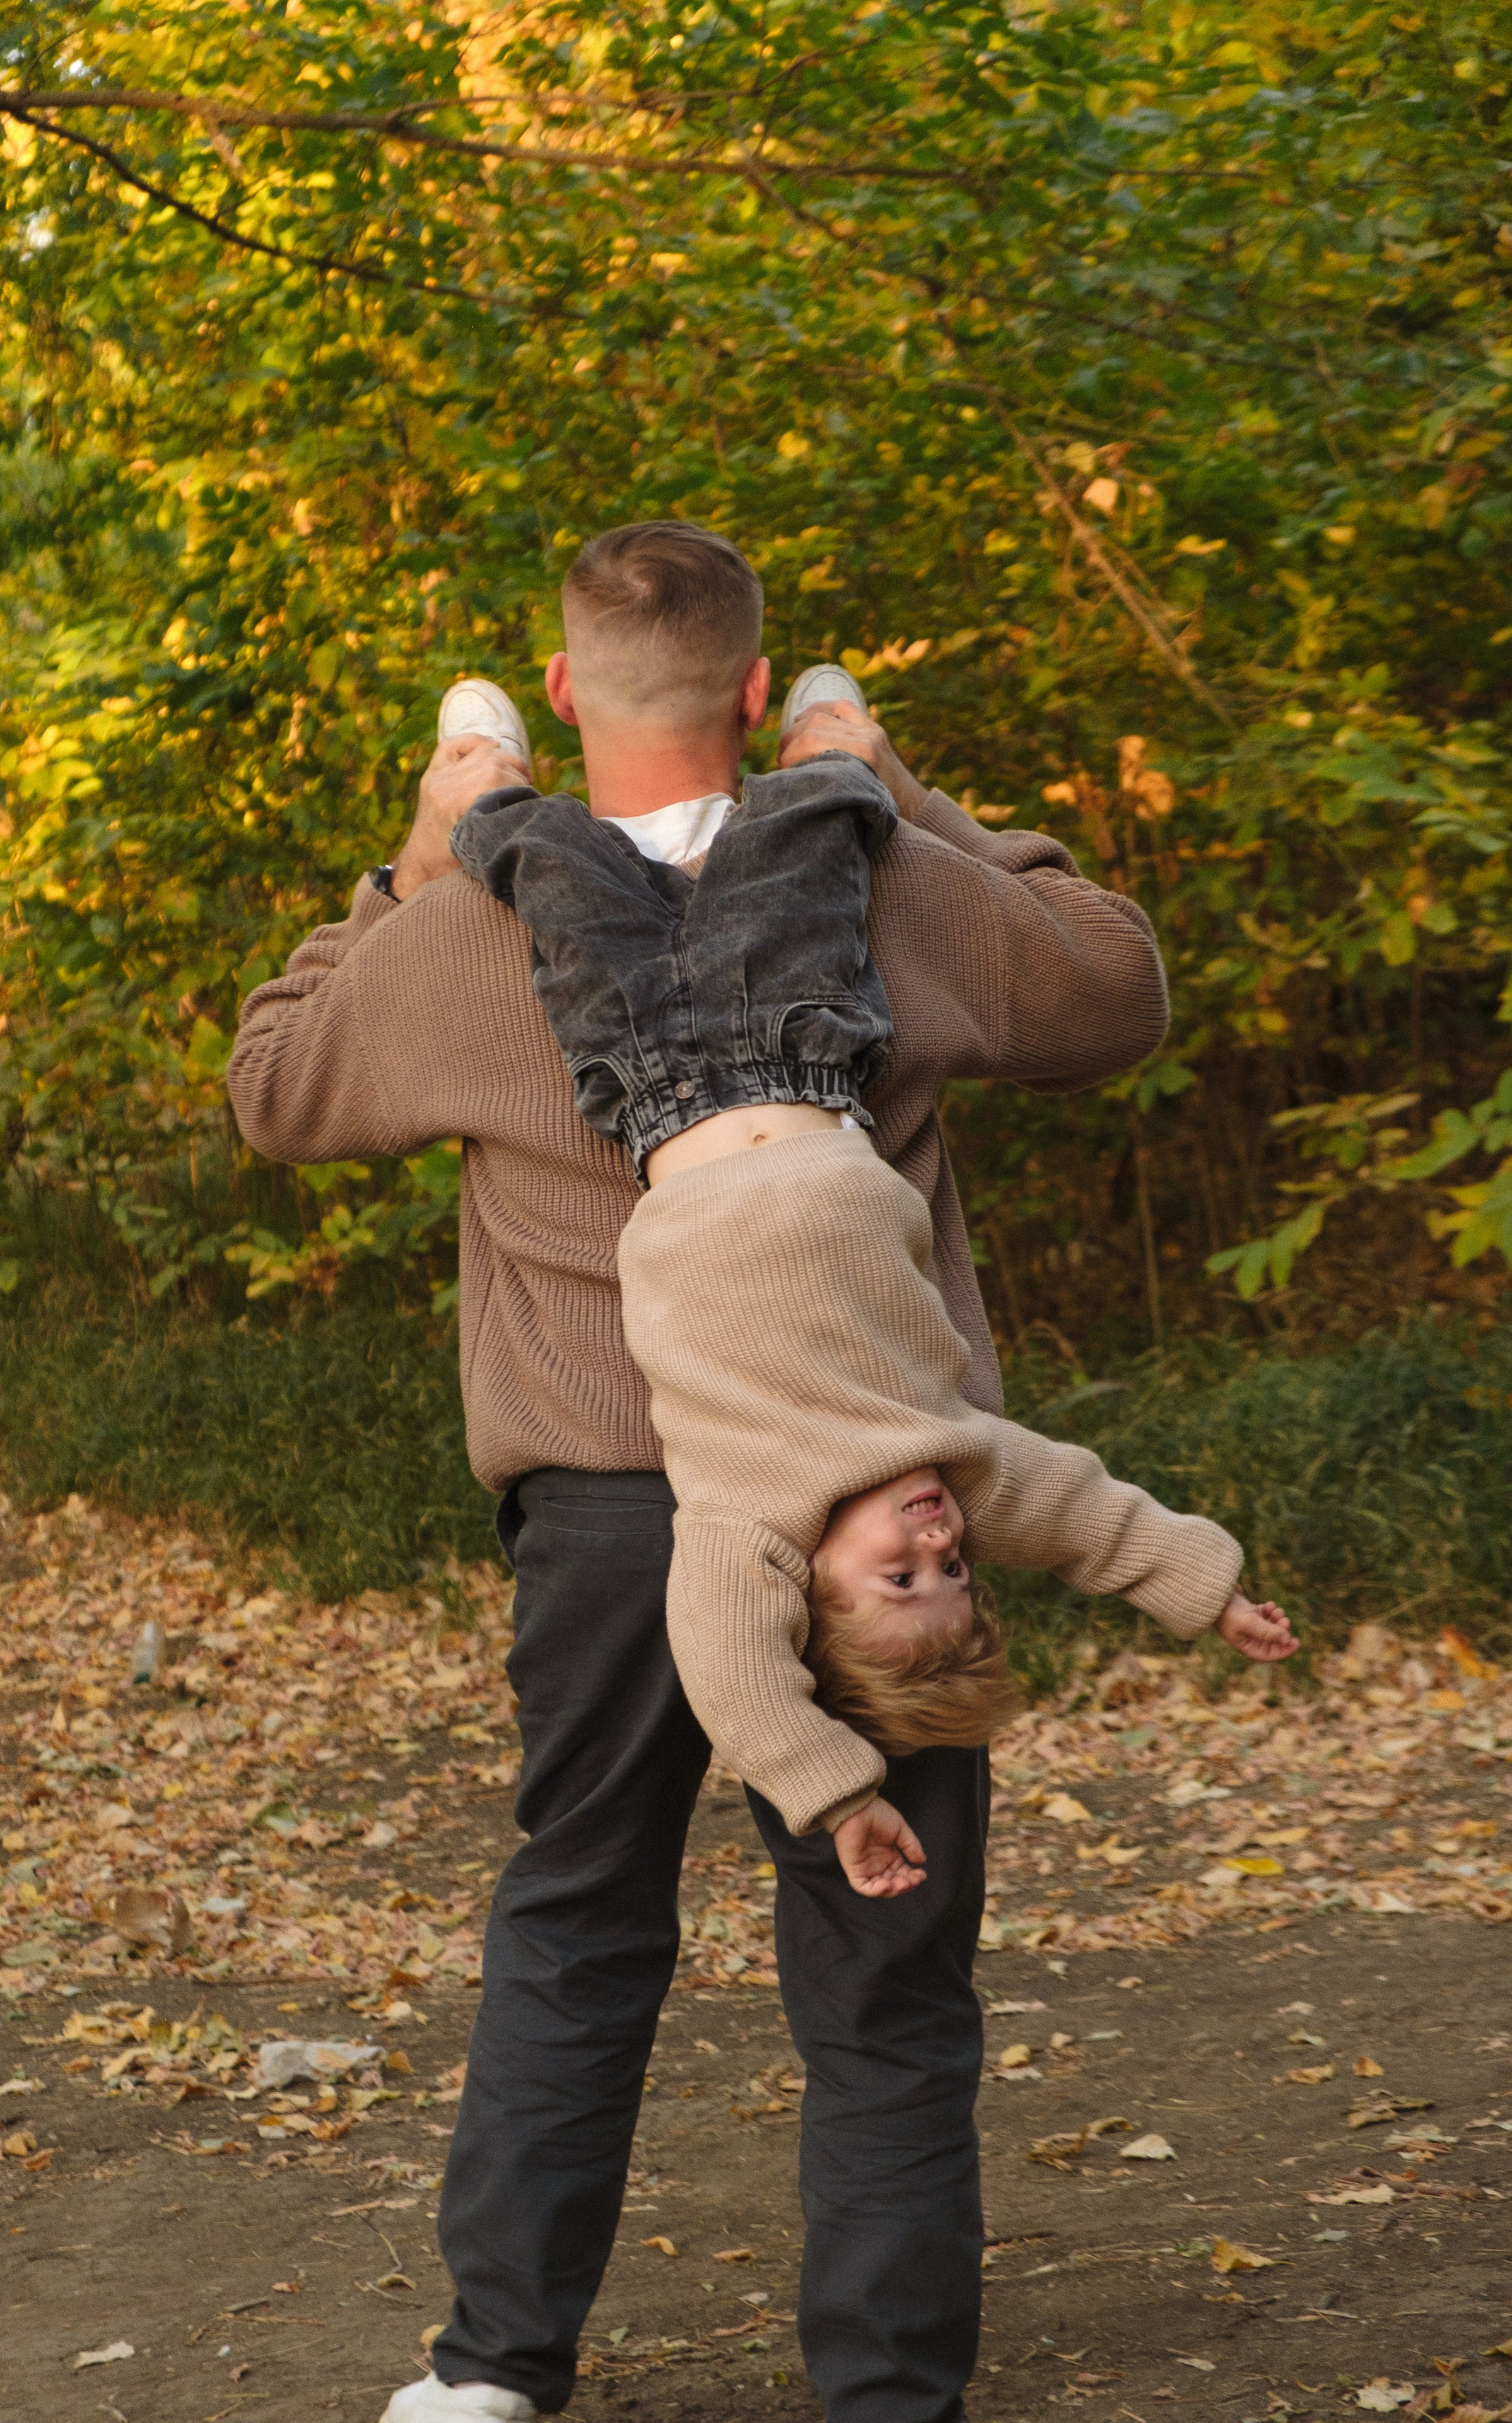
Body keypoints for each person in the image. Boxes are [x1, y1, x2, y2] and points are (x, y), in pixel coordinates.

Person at [226, 520, 1191, 2423]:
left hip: (603, 1498)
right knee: (890, 1979)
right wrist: (891, 784)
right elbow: (1115, 985)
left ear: (566, 696)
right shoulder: (880, 882)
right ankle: (886, 2402)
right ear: (760, 696)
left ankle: (496, 2369)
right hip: (867, 1504)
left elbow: (275, 1087)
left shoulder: (465, 929)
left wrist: (415, 860)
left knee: (582, 1915)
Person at [446, 702, 1297, 1901]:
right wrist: (1209, 1596)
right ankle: (827, 738)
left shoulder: (748, 1526)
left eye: (903, 1579)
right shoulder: (961, 1463)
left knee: (552, 864)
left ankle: (478, 774)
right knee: (813, 835)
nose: (941, 1547)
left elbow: (734, 1676)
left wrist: (836, 1794)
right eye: (955, 1576)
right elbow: (1100, 1523)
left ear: (812, 1589)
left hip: (650, 1084)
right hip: (807, 1054)